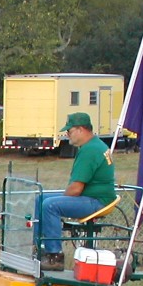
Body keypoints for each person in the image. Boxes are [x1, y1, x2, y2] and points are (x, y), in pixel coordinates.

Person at [35, 112, 116, 271]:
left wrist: (61, 203)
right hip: (93, 197)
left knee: (50, 205)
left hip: (97, 201)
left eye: (70, 130)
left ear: (81, 129)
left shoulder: (90, 150)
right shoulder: (95, 145)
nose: (67, 134)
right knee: (40, 199)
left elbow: (76, 188)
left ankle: (54, 256)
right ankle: (40, 247)